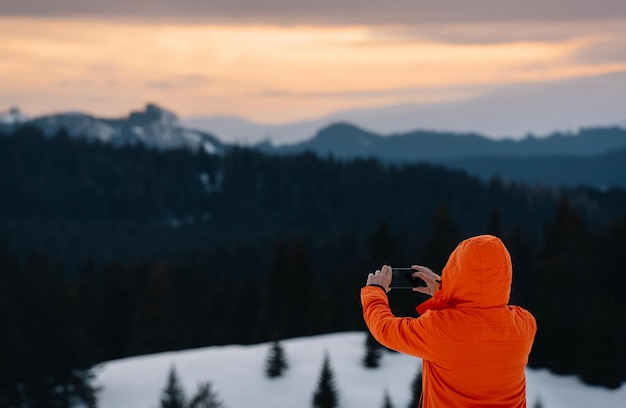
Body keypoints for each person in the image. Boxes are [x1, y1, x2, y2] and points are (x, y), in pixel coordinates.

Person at [361, 234, 536, 408]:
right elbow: (480, 313)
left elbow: (385, 328)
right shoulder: (525, 324)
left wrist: (375, 291)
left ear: (456, 271)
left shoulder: (437, 328)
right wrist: (445, 293)